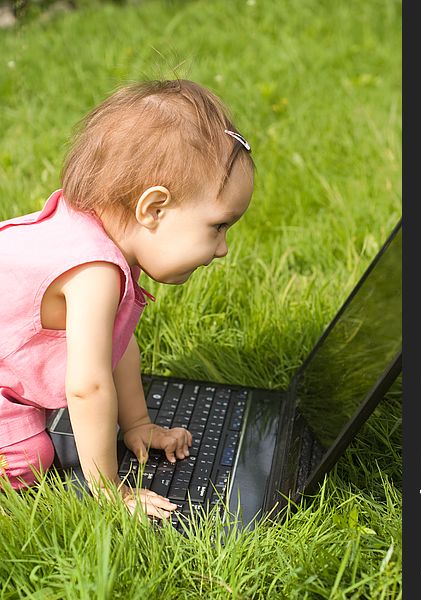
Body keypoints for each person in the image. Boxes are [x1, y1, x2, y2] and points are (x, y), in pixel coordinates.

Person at [0, 79, 255, 520]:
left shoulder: (105, 236)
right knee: (30, 459)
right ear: (152, 209)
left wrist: (138, 425)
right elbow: (88, 385)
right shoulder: (95, 271)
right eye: (217, 227)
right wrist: (110, 490)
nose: (223, 249)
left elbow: (119, 344)